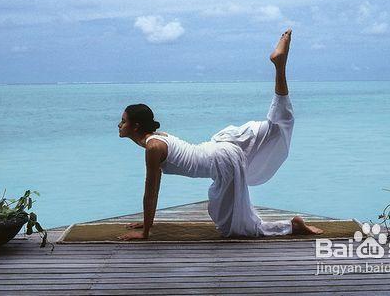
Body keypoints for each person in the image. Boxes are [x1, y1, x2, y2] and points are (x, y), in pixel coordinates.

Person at [117, 28, 323, 240]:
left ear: (136, 127)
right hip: (222, 147)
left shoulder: (153, 147)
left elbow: (151, 191)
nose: (119, 125)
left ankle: (292, 226)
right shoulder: (158, 138)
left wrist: (145, 232)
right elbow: (153, 191)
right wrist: (147, 222)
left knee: (239, 228)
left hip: (222, 159)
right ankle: (280, 67)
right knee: (278, 127)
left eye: (123, 121)